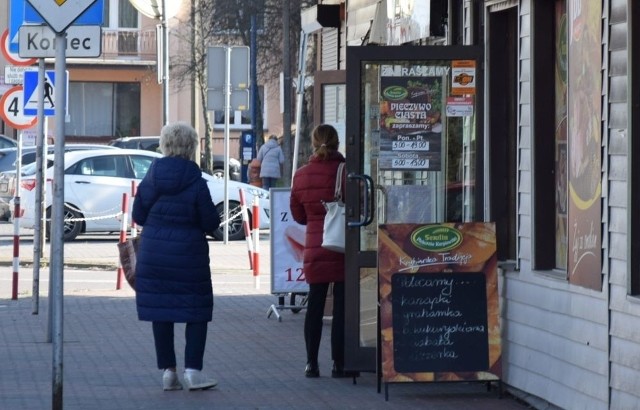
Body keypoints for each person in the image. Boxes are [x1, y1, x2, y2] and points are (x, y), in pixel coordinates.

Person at [132, 122, 221, 392]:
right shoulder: (195, 180)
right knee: (196, 311)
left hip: (154, 254)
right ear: (191, 146)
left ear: (165, 144)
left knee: (162, 311)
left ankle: (168, 373)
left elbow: (138, 215)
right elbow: (210, 220)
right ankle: (193, 372)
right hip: (189, 255)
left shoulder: (152, 175)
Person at [289, 124, 356, 379]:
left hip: (315, 248)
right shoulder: (346, 172)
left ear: (313, 143)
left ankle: (311, 363)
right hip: (340, 246)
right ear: (337, 143)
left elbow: (298, 215)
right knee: (341, 306)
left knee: (315, 305)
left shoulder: (301, 175)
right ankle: (339, 363)